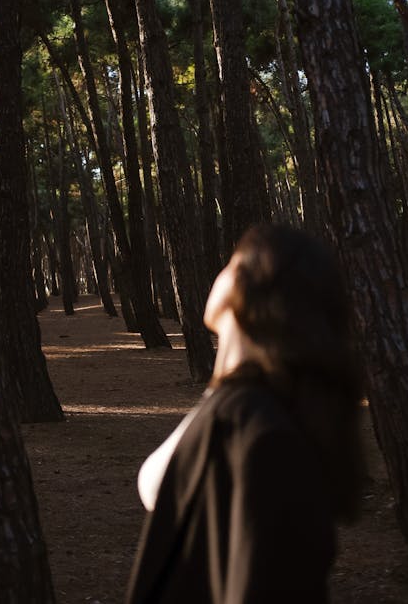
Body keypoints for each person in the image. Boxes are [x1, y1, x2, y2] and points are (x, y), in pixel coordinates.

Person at [126, 224, 364, 604]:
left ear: (254, 283)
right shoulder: (236, 401)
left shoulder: (261, 430)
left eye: (231, 262)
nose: (218, 273)